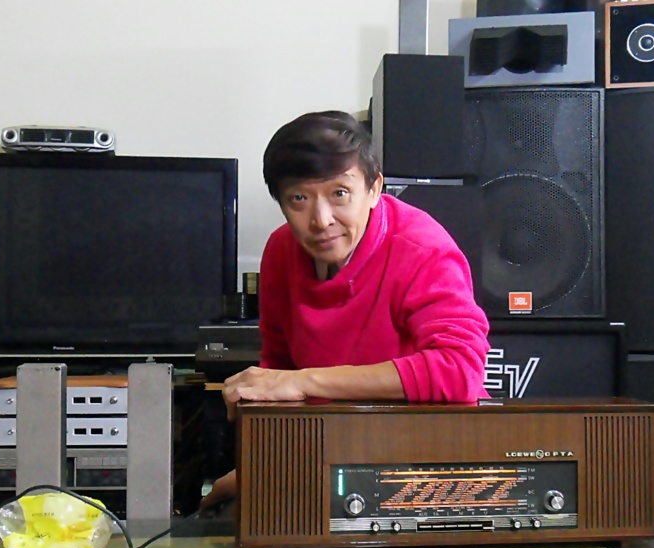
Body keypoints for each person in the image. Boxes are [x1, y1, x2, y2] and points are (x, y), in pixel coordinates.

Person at [199, 109, 489, 511]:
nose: (321, 221)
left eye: (339, 194)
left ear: (374, 189)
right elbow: (278, 372)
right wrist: (263, 465)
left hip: (429, 464)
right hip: (330, 455)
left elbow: (459, 370)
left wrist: (305, 382)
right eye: (299, 199)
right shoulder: (281, 251)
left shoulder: (421, 249)